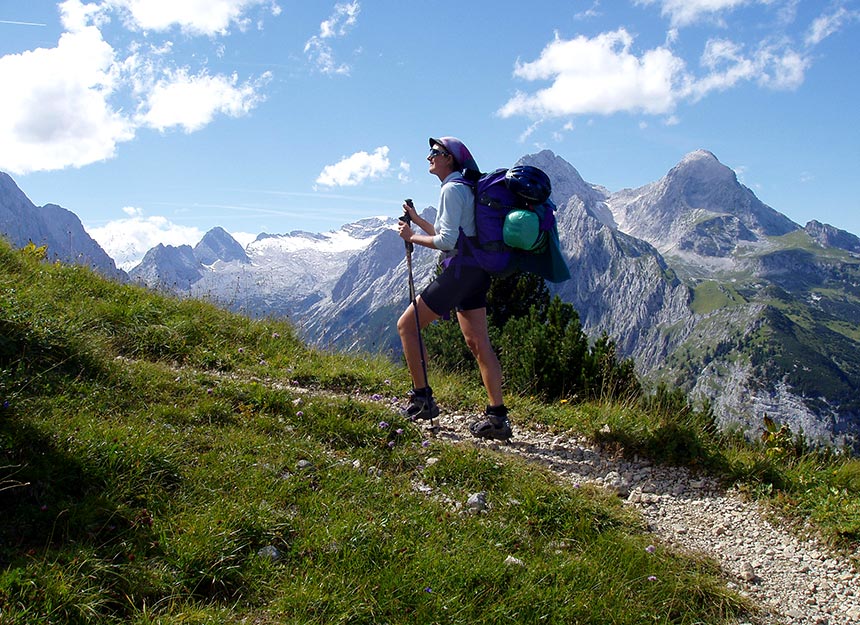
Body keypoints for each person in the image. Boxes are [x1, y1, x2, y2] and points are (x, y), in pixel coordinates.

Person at [396, 136, 512, 440]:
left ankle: (422, 399)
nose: (429, 157)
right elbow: (452, 235)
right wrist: (419, 221)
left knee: (407, 326)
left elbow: (446, 243)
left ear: (450, 158)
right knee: (479, 344)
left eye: (435, 152)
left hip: (460, 271)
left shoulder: (451, 189)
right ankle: (497, 419)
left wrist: (410, 237)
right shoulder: (463, 187)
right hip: (475, 272)